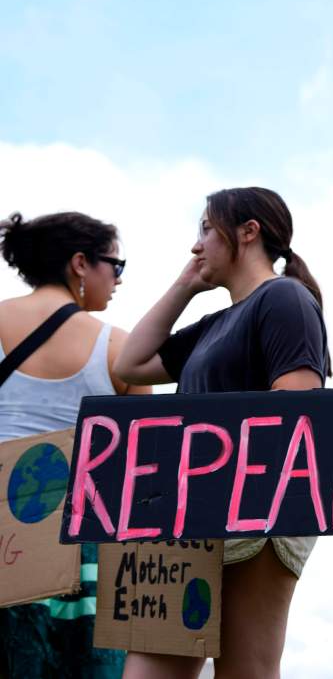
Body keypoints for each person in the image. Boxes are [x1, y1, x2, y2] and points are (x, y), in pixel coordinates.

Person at [113, 187, 329, 679]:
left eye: (207, 229)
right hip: (185, 517)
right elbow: (131, 364)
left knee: (245, 668)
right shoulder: (214, 323)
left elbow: (297, 405)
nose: (197, 245)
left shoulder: (284, 298)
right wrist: (186, 285)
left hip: (256, 516)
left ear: (248, 232)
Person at [0, 211, 148, 679]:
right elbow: (140, 473)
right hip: (80, 549)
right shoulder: (123, 352)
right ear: (81, 263)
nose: (119, 280)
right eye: (116, 265)